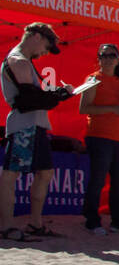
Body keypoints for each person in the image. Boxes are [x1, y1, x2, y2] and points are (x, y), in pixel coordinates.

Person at [0, 22, 74, 241]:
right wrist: (57, 97)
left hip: (36, 124)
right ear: (35, 36)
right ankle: (6, 226)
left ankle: (35, 223)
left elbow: (36, 95)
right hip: (25, 125)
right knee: (10, 176)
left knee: (45, 172)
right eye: (46, 46)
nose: (45, 52)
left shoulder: (26, 62)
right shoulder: (18, 61)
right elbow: (29, 99)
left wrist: (56, 94)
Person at [80, 43, 119, 236]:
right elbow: (84, 108)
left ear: (118, 58)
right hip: (98, 136)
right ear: (98, 58)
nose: (108, 58)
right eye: (104, 55)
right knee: (97, 180)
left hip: (117, 138)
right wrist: (114, 108)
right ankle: (92, 221)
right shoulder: (93, 79)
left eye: (111, 55)